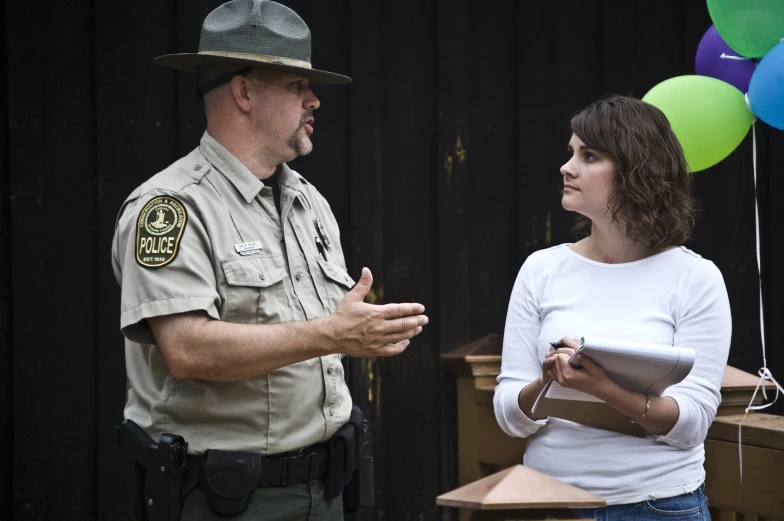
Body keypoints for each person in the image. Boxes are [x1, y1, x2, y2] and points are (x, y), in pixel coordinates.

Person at [111, 1, 428, 520]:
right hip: (223, 501)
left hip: (325, 491)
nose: (314, 100)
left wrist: (349, 331)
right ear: (243, 92)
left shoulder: (309, 202)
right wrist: (333, 334)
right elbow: (186, 348)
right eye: (295, 86)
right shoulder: (171, 208)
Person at [493, 95, 731, 520]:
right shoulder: (541, 270)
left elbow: (692, 424)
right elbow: (510, 415)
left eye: (589, 155)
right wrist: (546, 383)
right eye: (571, 153)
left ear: (637, 171)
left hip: (657, 507)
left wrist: (602, 387)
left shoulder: (696, 278)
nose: (567, 167)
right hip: (549, 504)